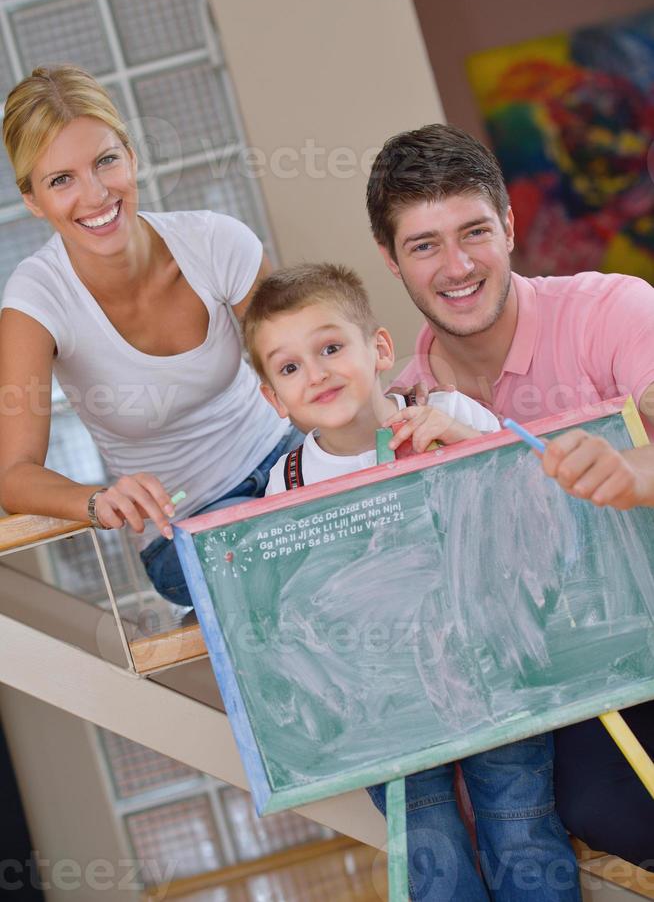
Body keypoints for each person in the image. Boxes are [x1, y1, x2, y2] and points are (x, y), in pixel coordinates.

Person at [242, 261, 582, 902]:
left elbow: (544, 504)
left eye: (331, 348)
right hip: (385, 708)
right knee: (431, 855)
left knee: (521, 828)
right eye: (289, 367)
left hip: (498, 672)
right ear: (272, 396)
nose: (315, 373)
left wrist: (468, 446)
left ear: (378, 349)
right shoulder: (286, 489)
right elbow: (289, 622)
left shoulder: (448, 412)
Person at [366, 123, 654, 868]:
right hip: (569, 684)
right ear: (391, 261)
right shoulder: (402, 415)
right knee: (609, 809)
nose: (457, 266)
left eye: (474, 233)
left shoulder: (609, 310)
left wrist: (637, 472)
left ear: (511, 227)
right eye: (425, 244)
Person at [0, 65, 300, 607]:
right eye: (61, 179)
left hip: (290, 465)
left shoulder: (215, 241)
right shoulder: (36, 300)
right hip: (188, 529)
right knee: (282, 574)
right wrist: (96, 499)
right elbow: (13, 474)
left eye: (105, 161)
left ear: (132, 158)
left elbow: (302, 363)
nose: (94, 195)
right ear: (32, 200)